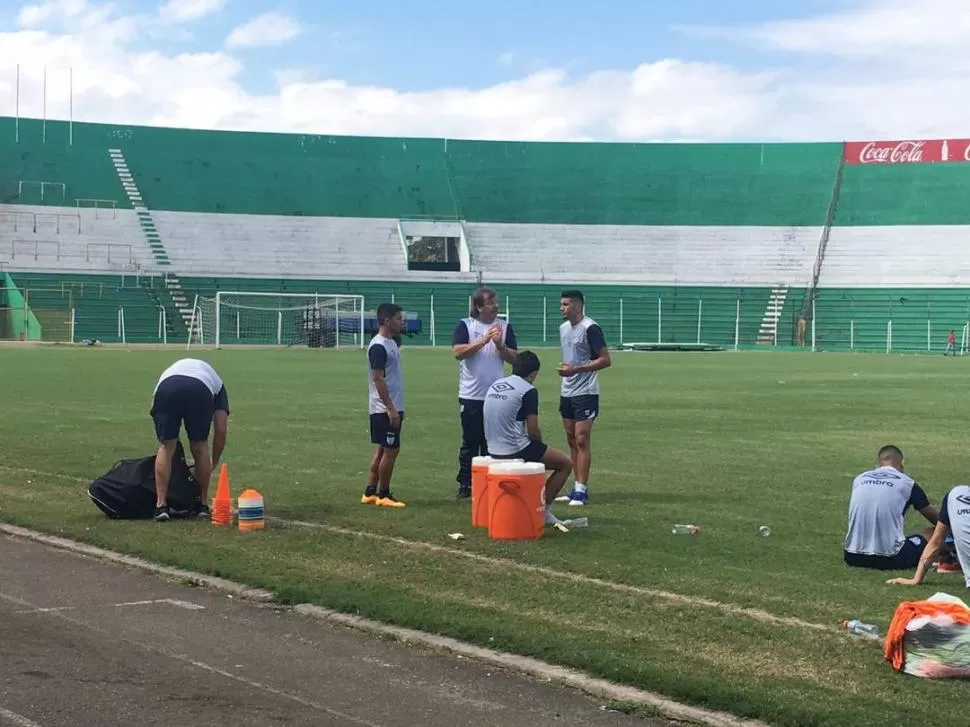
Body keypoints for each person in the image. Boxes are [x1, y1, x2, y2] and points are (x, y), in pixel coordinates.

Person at [483, 351, 573, 526]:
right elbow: (533, 429)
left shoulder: (496, 384)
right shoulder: (528, 390)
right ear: (533, 374)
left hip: (491, 447)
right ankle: (542, 509)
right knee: (565, 464)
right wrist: (539, 445)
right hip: (514, 448)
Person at [451, 287, 518, 499]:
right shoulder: (467, 325)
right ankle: (465, 484)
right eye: (490, 302)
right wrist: (483, 340)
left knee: (492, 442)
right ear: (479, 306)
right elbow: (458, 352)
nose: (495, 305)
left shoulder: (505, 327)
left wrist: (500, 345)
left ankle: (489, 481)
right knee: (470, 441)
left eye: (496, 301)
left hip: (496, 395)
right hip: (471, 395)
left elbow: (514, 358)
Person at [150, 358, 230, 522]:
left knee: (166, 447)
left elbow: (154, 409)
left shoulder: (170, 372)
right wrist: (212, 463)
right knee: (200, 447)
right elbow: (221, 430)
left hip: (166, 388)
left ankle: (161, 506)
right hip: (199, 389)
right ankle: (201, 505)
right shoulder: (219, 386)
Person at [554, 289, 611, 507]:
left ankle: (581, 489)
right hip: (567, 390)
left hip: (586, 392)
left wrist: (576, 369)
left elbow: (605, 360)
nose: (562, 308)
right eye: (561, 304)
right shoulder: (563, 328)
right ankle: (575, 486)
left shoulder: (591, 328)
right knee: (570, 438)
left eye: (566, 304)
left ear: (578, 306)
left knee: (581, 439)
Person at [843, 445, 939, 570]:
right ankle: (951, 557)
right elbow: (938, 521)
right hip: (891, 558)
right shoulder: (908, 483)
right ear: (902, 465)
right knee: (934, 532)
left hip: (852, 556)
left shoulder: (859, 479)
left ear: (877, 465)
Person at [361, 303, 407, 508]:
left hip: (393, 405)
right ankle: (384, 494)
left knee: (383, 449)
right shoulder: (378, 346)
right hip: (385, 409)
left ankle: (370, 491)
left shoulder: (391, 343)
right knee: (390, 450)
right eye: (398, 318)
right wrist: (390, 409)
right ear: (387, 320)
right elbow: (378, 379)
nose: (402, 321)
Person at [887, 484, 970, 588]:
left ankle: (952, 558)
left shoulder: (955, 495)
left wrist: (916, 579)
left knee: (933, 533)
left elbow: (936, 542)